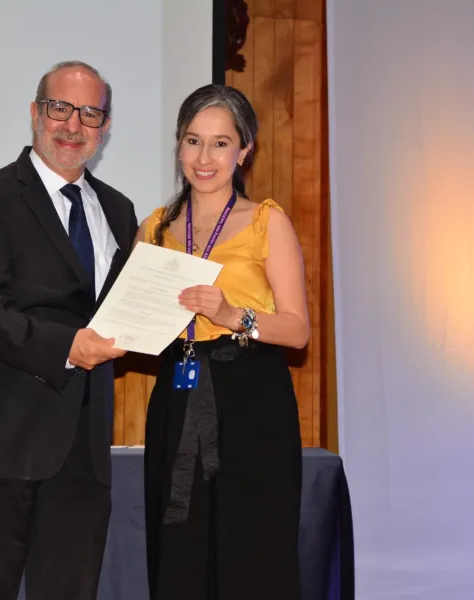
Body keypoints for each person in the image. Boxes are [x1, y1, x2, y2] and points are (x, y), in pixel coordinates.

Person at [0, 61, 139, 600]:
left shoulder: (118, 210)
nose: (73, 125)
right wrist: (66, 345)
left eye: (90, 113)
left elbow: (120, 310)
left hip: (82, 457)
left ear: (105, 126)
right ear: (35, 113)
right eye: (60, 108)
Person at [137, 84, 311, 599]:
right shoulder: (155, 228)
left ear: (244, 150)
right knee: (179, 551)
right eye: (193, 141)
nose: (204, 158)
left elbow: (298, 330)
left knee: (251, 553)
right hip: (178, 393)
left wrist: (233, 315)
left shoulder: (266, 222)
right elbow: (137, 322)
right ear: (178, 145)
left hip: (252, 398)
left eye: (220, 143)